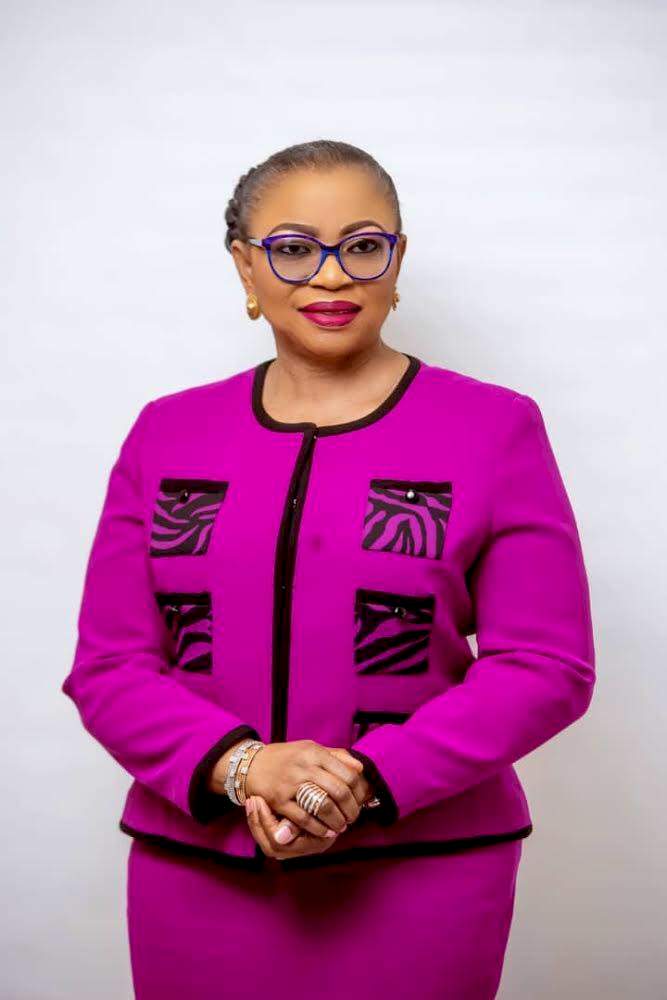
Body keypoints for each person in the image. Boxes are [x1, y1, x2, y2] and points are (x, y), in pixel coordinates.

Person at [62, 139, 596, 999]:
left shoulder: (493, 429)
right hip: (198, 870)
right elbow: (109, 666)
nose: (332, 274)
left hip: (422, 867)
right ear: (244, 265)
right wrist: (244, 768)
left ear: (397, 260)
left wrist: (367, 782)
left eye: (362, 245)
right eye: (293, 248)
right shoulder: (168, 434)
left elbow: (544, 665)